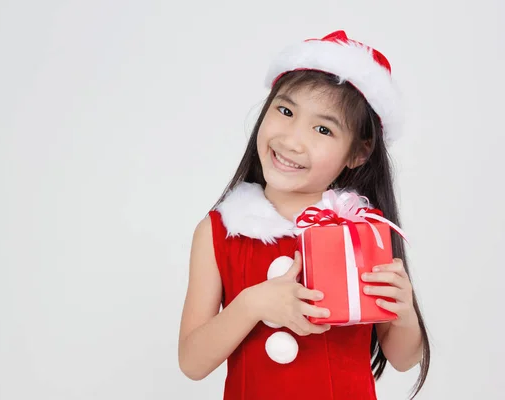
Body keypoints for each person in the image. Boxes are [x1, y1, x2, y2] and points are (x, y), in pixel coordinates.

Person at [178, 30, 430, 400]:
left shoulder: (363, 230)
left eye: (323, 129)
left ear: (358, 153)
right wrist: (253, 304)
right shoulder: (218, 231)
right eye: (285, 111)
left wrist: (404, 313)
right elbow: (192, 362)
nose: (292, 140)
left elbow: (403, 358)